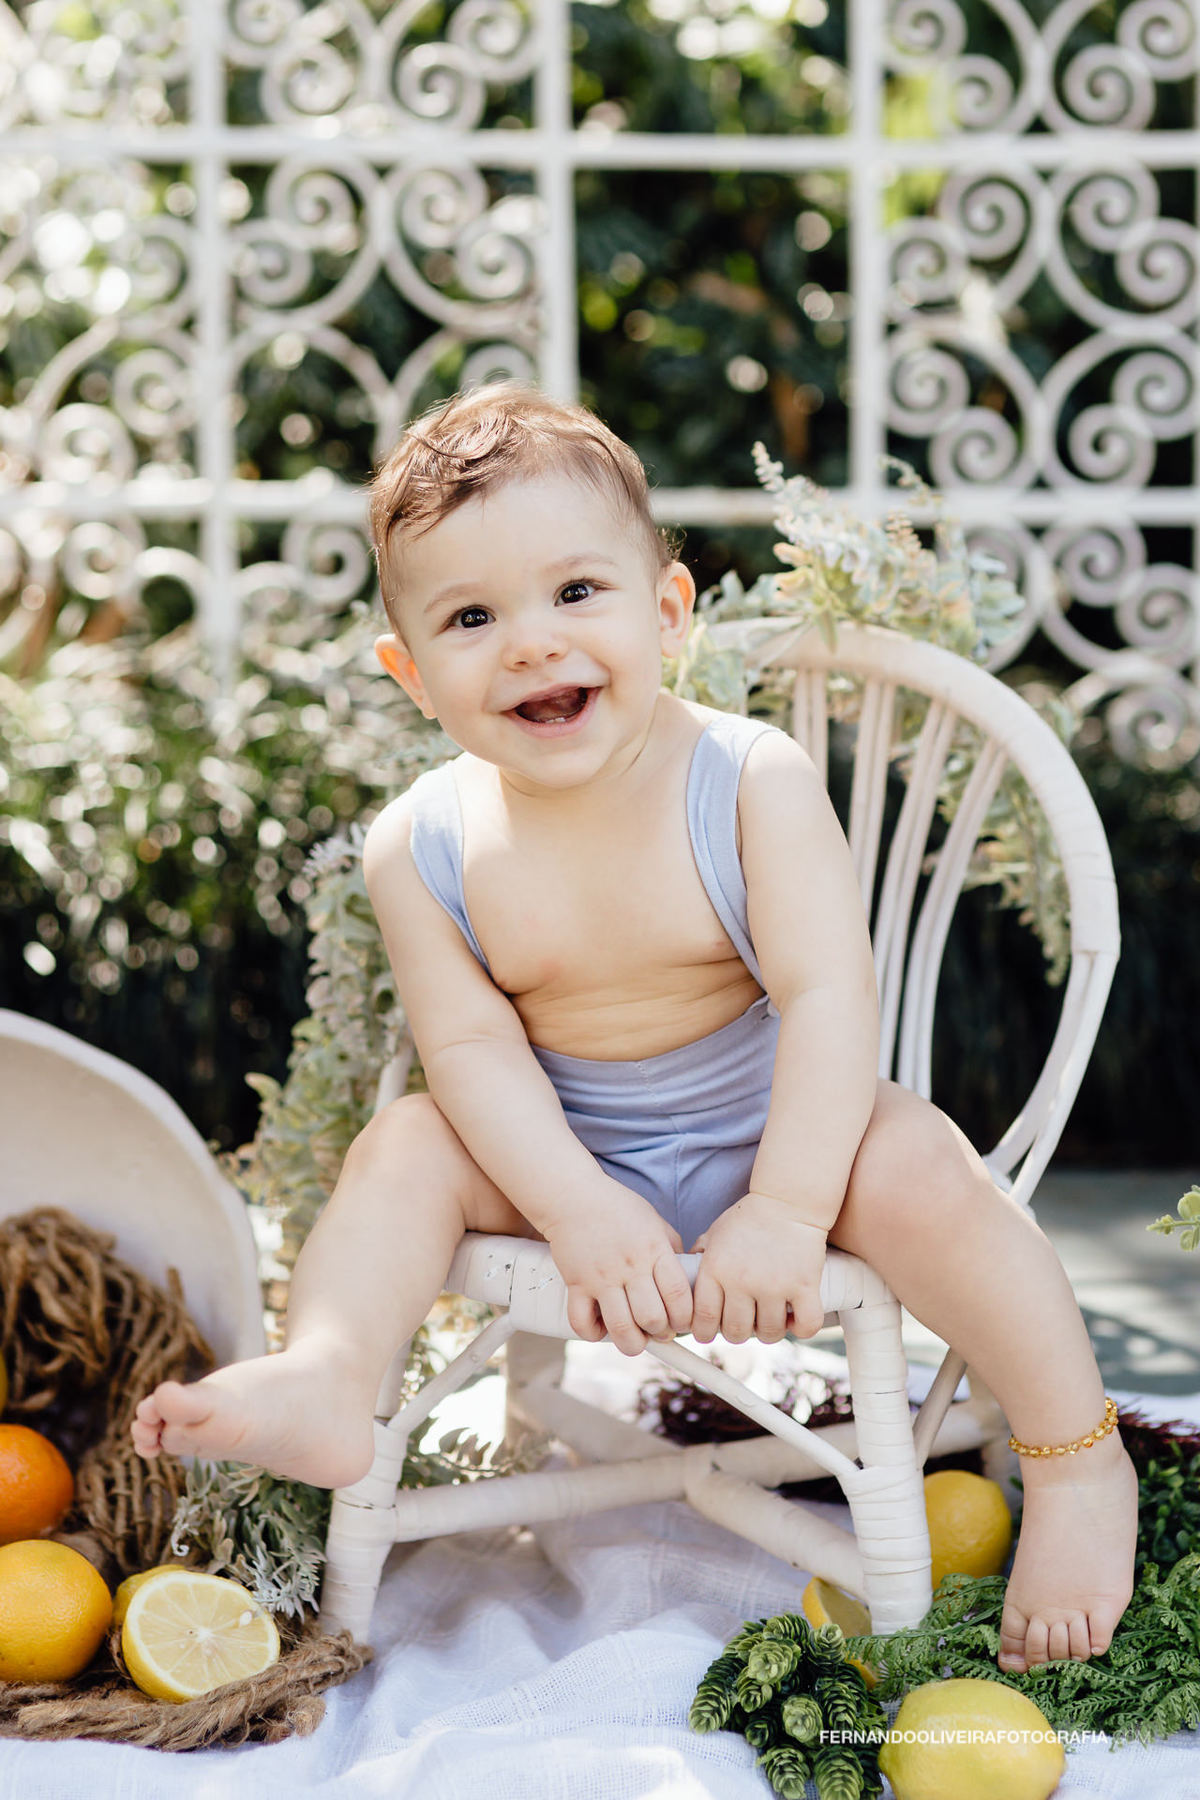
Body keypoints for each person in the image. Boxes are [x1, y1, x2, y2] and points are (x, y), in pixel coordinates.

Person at [132, 382, 1136, 1675]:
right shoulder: (421, 843)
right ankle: (329, 1372)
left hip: (781, 1132)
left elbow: (831, 998)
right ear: (412, 674)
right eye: (472, 618)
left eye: (575, 592)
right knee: (403, 1149)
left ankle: (1076, 1457)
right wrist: (575, 1208)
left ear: (666, 612)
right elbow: (472, 1053)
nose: (531, 644)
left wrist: (788, 1206)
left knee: (928, 1168)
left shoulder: (748, 778)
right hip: (559, 1151)